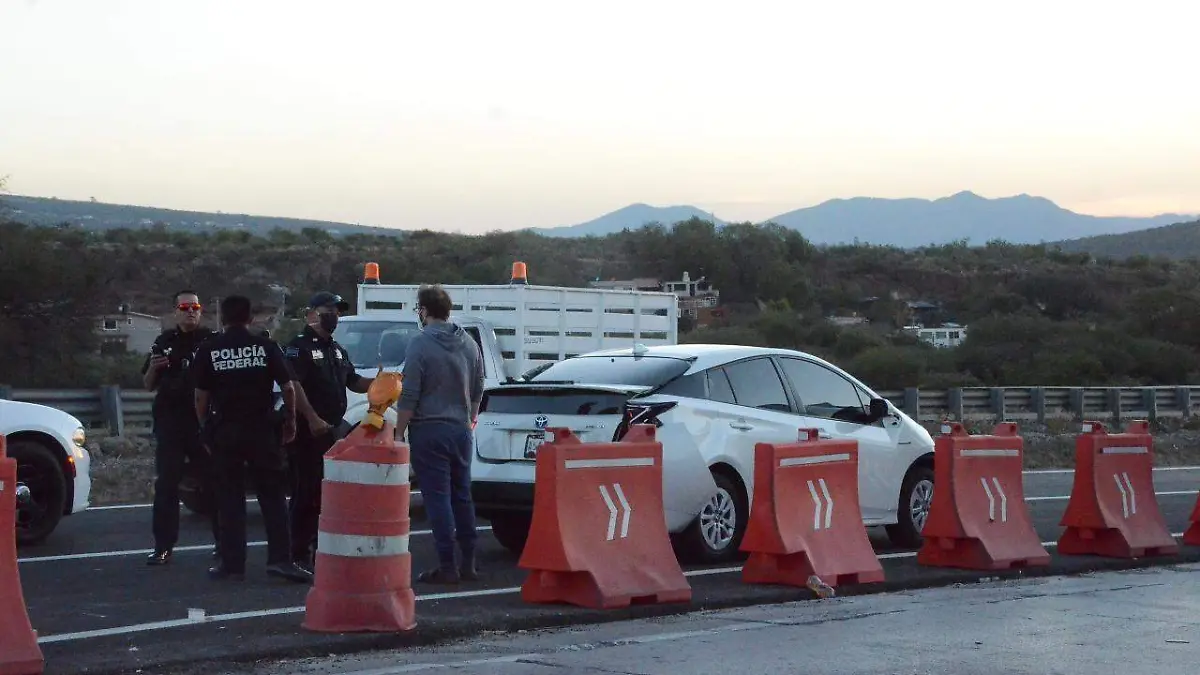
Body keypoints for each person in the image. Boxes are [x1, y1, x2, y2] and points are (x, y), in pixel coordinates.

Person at [191, 294, 312, 583]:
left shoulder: (210, 349)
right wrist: (291, 421)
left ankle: (232, 565)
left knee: (230, 499)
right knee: (272, 497)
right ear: (250, 318)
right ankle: (280, 561)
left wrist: (205, 427)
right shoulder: (266, 346)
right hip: (261, 429)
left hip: (226, 431)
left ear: (222, 318)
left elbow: (200, 396)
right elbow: (288, 388)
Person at [396, 284, 485, 584]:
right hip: (460, 429)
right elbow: (479, 386)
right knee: (463, 496)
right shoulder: (469, 343)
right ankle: (469, 563)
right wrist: (468, 416)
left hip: (429, 430)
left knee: (437, 498)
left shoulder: (420, 344)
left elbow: (409, 394)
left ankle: (447, 565)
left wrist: (399, 432)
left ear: (423, 310)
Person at [283, 291, 373, 570]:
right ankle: (297, 553)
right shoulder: (299, 347)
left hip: (332, 430)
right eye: (328, 309)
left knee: (326, 492)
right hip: (310, 431)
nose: (334, 314)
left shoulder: (336, 349)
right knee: (306, 491)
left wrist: (382, 382)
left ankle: (318, 548)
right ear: (311, 313)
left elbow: (353, 380)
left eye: (337, 310)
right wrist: (311, 417)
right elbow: (293, 384)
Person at [140, 290, 220, 566]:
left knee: (213, 483)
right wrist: (153, 368)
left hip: (203, 421)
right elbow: (148, 384)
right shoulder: (164, 342)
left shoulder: (211, 341)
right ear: (175, 311)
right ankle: (163, 547)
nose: (190, 311)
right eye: (184, 307)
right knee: (167, 485)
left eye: (195, 307)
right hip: (171, 422)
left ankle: (224, 545)